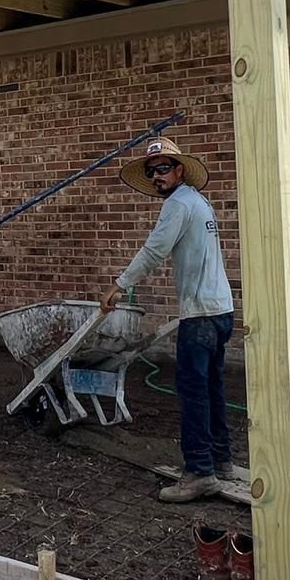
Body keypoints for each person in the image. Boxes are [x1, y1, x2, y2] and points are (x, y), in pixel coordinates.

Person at [101, 138, 235, 502]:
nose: (157, 176)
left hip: (201, 315)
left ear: (179, 170)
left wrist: (118, 286)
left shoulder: (178, 205)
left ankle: (199, 473)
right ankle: (221, 460)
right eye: (151, 171)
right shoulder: (198, 201)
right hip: (221, 309)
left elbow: (154, 250)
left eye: (163, 168)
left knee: (193, 392)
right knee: (212, 389)